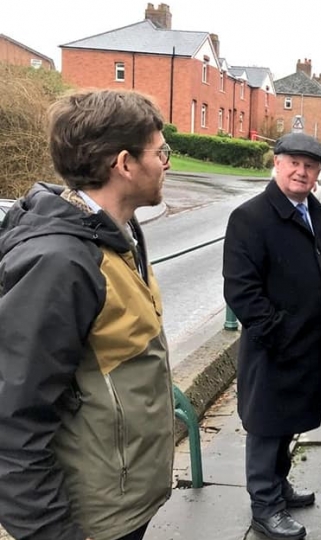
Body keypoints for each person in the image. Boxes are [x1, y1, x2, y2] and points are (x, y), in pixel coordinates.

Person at [0, 89, 174, 539]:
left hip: (123, 499)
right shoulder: (60, 261)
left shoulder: (115, 232)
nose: (166, 164)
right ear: (124, 164)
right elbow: (14, 418)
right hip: (86, 518)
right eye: (161, 152)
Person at [223, 132, 321, 540]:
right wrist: (278, 333)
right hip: (274, 348)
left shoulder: (320, 214)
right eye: (293, 162)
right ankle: (265, 506)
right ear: (276, 163)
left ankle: (280, 485)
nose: (301, 171)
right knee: (266, 426)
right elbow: (241, 290)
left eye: (310, 165)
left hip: (312, 343)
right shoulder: (250, 217)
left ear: (318, 173)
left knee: (291, 420)